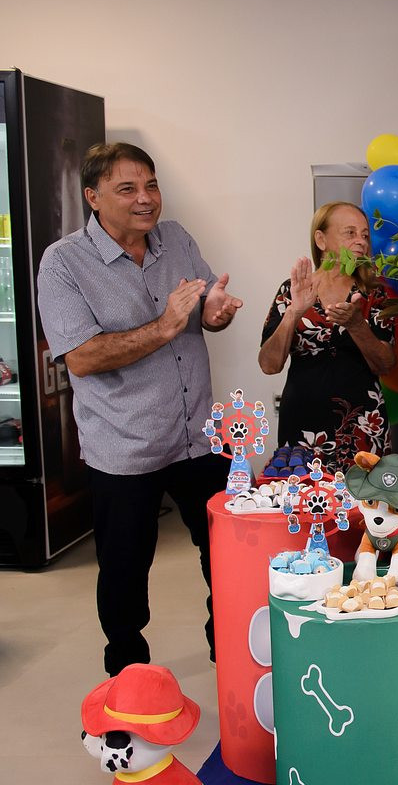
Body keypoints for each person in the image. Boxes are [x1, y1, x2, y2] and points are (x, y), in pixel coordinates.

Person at [36, 142, 243, 675]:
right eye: (127, 189)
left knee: (225, 554)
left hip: (199, 434)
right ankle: (128, 674)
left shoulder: (176, 239)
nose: (145, 198)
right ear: (93, 197)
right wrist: (166, 326)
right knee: (125, 571)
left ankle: (229, 652)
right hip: (125, 446)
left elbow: (205, 306)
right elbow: (82, 357)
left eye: (151, 185)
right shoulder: (63, 263)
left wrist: (214, 312)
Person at [259, 202, 394, 472]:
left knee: (364, 499)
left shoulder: (374, 293)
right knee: (306, 497)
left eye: (365, 235)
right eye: (350, 233)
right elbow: (269, 365)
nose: (361, 241)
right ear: (321, 239)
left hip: (363, 426)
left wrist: (357, 326)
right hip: (302, 428)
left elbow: (385, 365)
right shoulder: (292, 290)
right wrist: (294, 313)